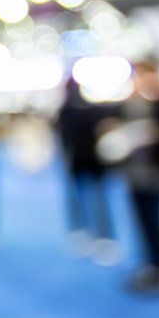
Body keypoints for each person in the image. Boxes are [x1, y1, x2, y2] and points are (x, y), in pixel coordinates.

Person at [104, 62, 159, 294]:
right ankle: (148, 264)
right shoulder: (124, 107)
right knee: (141, 221)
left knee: (158, 223)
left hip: (157, 175)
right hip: (133, 175)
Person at [56, 80, 115, 257]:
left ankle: (97, 234)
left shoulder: (78, 110)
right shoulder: (70, 110)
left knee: (93, 200)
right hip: (82, 161)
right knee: (85, 199)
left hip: (87, 161)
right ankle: (86, 233)